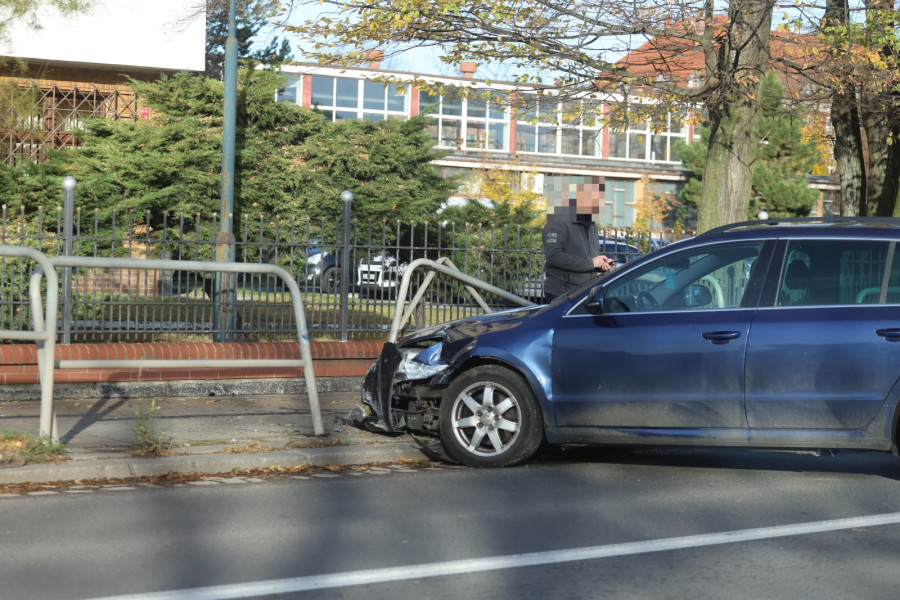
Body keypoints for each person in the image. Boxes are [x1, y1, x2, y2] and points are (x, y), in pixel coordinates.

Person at [543, 185, 615, 302]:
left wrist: (601, 265)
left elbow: (590, 258)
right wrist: (591, 263)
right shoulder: (558, 220)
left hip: (585, 292)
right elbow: (554, 256)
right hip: (562, 293)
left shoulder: (591, 225)